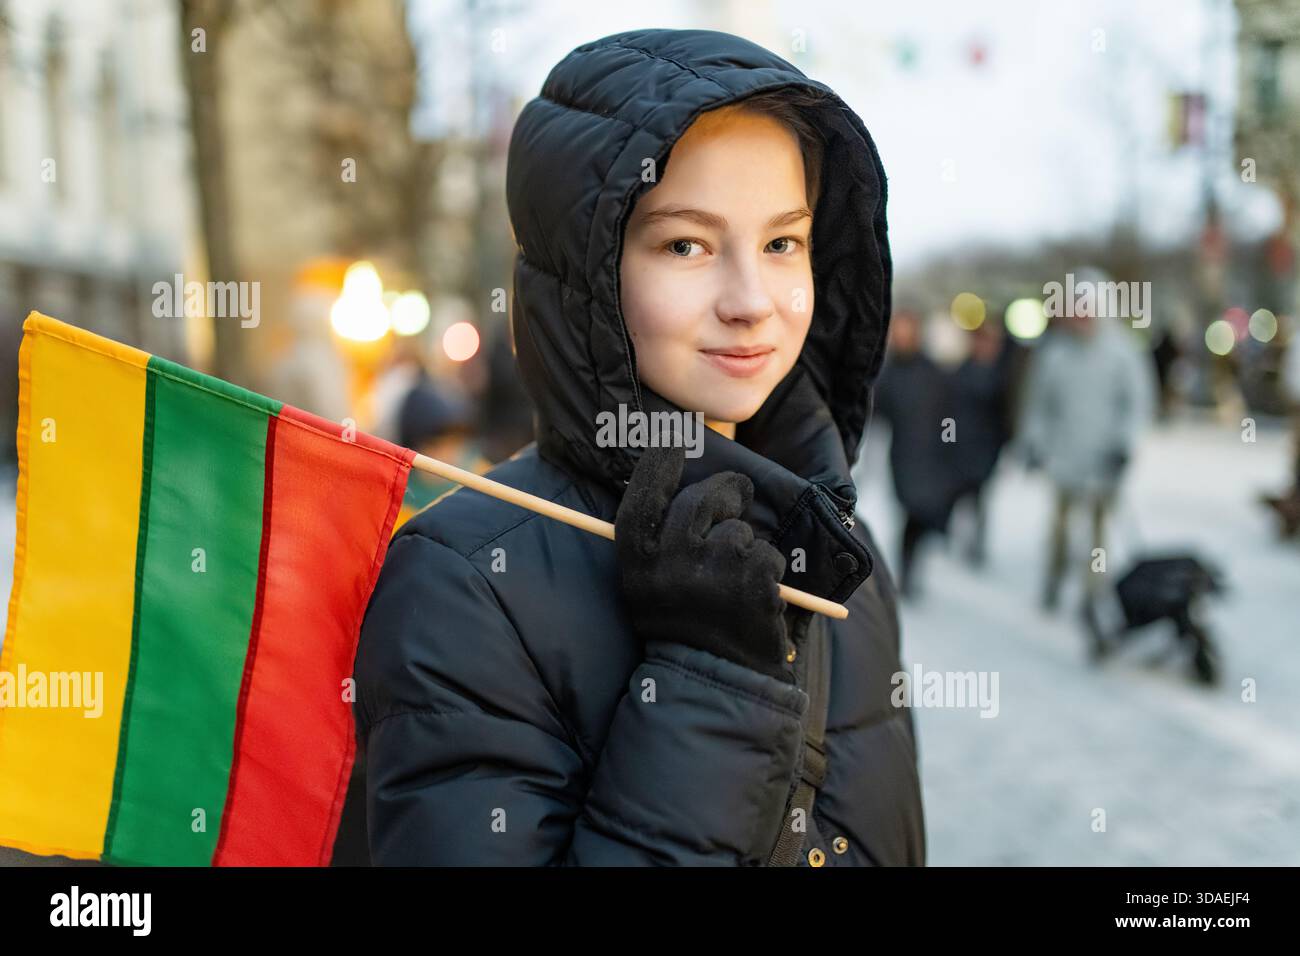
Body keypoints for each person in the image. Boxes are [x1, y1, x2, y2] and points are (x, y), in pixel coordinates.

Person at [351, 29, 925, 866]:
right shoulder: (467, 581)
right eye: (685, 244)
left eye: (782, 242)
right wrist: (708, 681)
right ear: (585, 273)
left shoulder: (843, 553)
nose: (751, 300)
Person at [1019, 285, 1156, 612]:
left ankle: (1092, 592)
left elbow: (1137, 403)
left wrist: (1123, 444)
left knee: (1097, 534)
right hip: (1064, 458)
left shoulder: (1122, 352)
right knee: (1060, 529)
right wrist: (1035, 443)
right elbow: (1038, 404)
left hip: (1103, 461)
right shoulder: (1055, 353)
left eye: (1086, 307)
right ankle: (1053, 579)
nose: (1080, 315)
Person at [874, 310, 958, 597]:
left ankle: (912, 566)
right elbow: (876, 411)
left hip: (933, 454)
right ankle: (907, 571)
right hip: (903, 456)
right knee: (910, 510)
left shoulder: (933, 372)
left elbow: (949, 414)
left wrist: (950, 444)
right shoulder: (888, 372)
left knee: (923, 513)